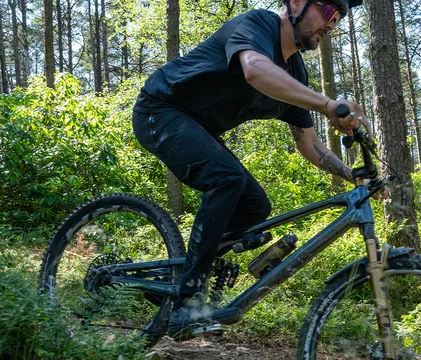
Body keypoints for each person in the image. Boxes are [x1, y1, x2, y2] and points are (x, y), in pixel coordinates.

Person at [131, 0, 369, 332]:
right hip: (160, 109)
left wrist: (352, 175)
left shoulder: (296, 72)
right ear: (297, 3)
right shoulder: (258, 25)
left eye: (339, 19)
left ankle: (183, 276)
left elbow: (309, 143)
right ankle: (187, 303)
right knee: (227, 179)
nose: (332, 25)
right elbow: (255, 69)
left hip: (200, 129)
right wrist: (328, 104)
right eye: (329, 13)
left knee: (256, 206)